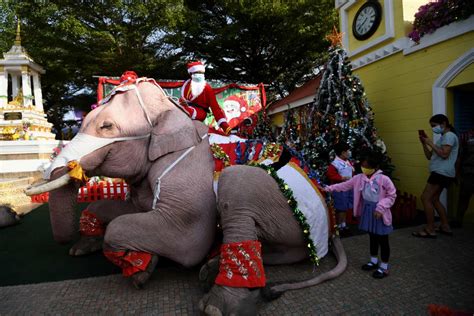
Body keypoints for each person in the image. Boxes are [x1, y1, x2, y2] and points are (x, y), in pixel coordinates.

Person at [324, 151, 396, 279]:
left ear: (376, 167)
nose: (364, 169)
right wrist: (328, 188)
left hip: (380, 212)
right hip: (368, 211)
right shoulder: (359, 178)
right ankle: (373, 261)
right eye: (363, 166)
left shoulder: (384, 179)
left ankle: (384, 267)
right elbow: (344, 185)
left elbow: (392, 195)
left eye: (367, 166)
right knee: (372, 237)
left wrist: (381, 207)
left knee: (383, 240)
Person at [413, 114, 459, 238]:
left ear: (443, 123)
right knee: (434, 199)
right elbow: (429, 156)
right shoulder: (443, 138)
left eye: (434, 126)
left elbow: (444, 154)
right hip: (440, 173)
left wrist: (430, 143)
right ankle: (445, 226)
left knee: (425, 198)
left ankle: (430, 229)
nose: (433, 128)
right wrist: (424, 143)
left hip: (441, 173)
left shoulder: (449, 136)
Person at [180, 61, 231, 134]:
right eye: (197, 72)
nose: (200, 75)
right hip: (186, 108)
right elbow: (181, 100)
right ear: (191, 74)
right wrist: (182, 103)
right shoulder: (186, 85)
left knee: (184, 111)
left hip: (200, 112)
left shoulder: (207, 88)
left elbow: (215, 108)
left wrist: (224, 126)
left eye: (202, 73)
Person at [326, 142, 354, 234]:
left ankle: (343, 224)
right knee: (341, 207)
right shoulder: (335, 164)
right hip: (340, 189)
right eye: (347, 151)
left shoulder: (347, 161)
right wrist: (341, 178)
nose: (349, 152)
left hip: (348, 187)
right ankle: (339, 225)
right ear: (342, 152)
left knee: (345, 207)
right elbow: (330, 174)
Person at [456, 128, 474, 227]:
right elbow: (460, 156)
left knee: (463, 199)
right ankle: (459, 220)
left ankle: (458, 220)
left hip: (467, 173)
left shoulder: (465, 136)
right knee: (463, 199)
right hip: (468, 174)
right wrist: (457, 174)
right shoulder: (465, 136)